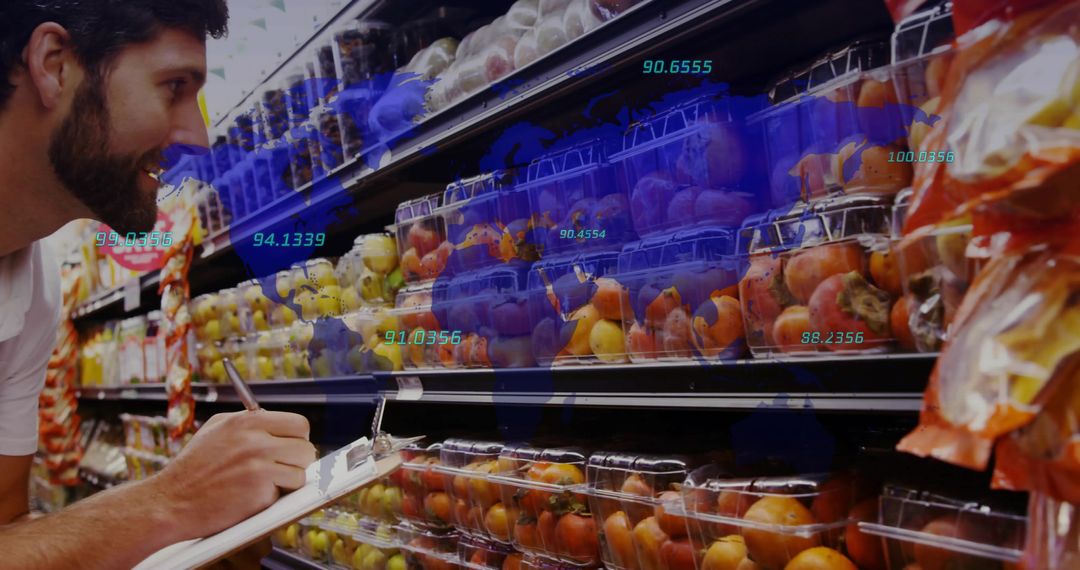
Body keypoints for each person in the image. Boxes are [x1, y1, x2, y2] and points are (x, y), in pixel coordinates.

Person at [0, 1, 317, 567]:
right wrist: (170, 503)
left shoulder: (32, 290)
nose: (197, 137)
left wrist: (175, 549)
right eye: (174, 87)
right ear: (54, 65)